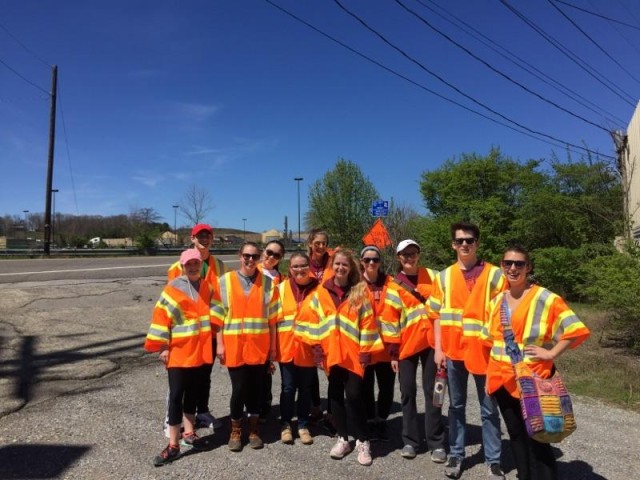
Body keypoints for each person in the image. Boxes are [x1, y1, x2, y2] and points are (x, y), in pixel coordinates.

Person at [481, 246, 590, 480]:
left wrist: (552, 353)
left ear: (528, 267)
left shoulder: (545, 297)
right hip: (502, 379)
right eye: (507, 263)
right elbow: (491, 342)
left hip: (533, 379)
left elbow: (574, 329)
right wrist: (489, 376)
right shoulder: (496, 301)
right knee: (516, 435)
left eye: (519, 264)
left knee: (539, 437)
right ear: (502, 266)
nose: (512, 268)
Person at [431, 222, 506, 479]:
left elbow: (505, 313)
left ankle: (493, 460)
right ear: (453, 244)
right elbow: (437, 316)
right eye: (460, 240)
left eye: (470, 240)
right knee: (456, 406)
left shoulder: (496, 276)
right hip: (453, 352)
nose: (465, 244)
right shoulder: (443, 277)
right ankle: (456, 454)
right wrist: (438, 349)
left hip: (485, 353)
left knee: (488, 408)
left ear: (477, 243)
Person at [302, 250, 383, 466]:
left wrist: (366, 350)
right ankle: (343, 438)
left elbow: (367, 322)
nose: (340, 268)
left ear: (351, 268)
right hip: (331, 353)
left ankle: (363, 440)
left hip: (354, 354)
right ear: (332, 266)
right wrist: (317, 348)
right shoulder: (321, 292)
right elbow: (312, 321)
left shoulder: (359, 291)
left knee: (355, 396)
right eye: (337, 264)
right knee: (335, 396)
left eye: (344, 265)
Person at [145, 249, 222, 466]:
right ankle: (173, 444)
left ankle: (189, 435)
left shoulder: (207, 287)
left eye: (196, 263)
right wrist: (163, 347)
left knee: (193, 396)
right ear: (182, 266)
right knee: (177, 396)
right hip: (179, 352)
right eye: (189, 264)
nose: (193, 267)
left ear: (201, 264)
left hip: (200, 350)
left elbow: (218, 310)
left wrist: (217, 334)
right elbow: (160, 317)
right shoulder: (173, 288)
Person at [212, 242, 279, 452]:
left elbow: (273, 321)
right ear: (239, 256)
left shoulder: (268, 284)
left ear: (259, 258)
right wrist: (219, 345)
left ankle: (254, 430)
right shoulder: (224, 282)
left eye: (255, 256)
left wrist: (273, 350)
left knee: (256, 391)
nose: (251, 260)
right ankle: (235, 430)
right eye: (247, 256)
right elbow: (217, 318)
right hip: (234, 347)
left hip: (259, 347)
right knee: (239, 389)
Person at [384, 239, 447, 462]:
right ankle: (410, 441)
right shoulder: (393, 284)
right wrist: (392, 353)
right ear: (398, 257)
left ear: (419, 254)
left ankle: (436, 442)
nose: (409, 258)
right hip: (407, 344)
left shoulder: (435, 276)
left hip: (432, 343)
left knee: (434, 392)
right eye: (404, 254)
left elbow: (445, 308)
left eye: (412, 253)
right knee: (407, 392)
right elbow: (390, 320)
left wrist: (444, 344)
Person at [165, 223, 225, 432]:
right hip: (186, 334)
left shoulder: (219, 265)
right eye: (200, 236)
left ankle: (202, 411)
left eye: (208, 235)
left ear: (212, 238)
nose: (204, 239)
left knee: (203, 376)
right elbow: (171, 305)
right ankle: (172, 419)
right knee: (179, 382)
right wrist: (167, 341)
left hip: (209, 332)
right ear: (192, 238)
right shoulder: (176, 268)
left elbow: (221, 299)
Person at [276, 252, 318, 445]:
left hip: (308, 350)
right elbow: (273, 321)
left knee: (306, 389)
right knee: (287, 388)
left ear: (309, 266)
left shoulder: (319, 290)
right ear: (289, 269)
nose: (300, 270)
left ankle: (302, 424)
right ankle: (285, 424)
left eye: (303, 265)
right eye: (295, 267)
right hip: (286, 348)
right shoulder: (280, 289)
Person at [359, 245, 396, 442]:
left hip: (387, 347)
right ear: (361, 262)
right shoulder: (355, 285)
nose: (371, 263)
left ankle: (381, 420)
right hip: (365, 346)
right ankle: (368, 420)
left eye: (375, 259)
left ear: (380, 262)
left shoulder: (392, 283)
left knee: (387, 386)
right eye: (367, 260)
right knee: (366, 386)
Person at [257, 240, 285, 424]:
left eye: (277, 255)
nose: (271, 257)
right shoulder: (253, 271)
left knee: (267, 370)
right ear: (263, 251)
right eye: (269, 252)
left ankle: (265, 406)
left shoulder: (282, 278)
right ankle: (252, 408)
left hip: (274, 329)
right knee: (253, 371)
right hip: (254, 329)